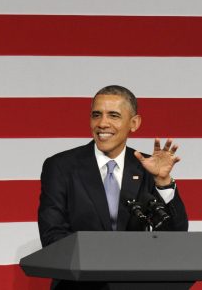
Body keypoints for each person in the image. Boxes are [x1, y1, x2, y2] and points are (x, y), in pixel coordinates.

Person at [38, 85, 188, 288]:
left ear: (134, 123)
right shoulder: (61, 167)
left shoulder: (147, 167)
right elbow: (52, 236)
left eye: (114, 115)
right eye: (96, 115)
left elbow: (176, 239)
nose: (102, 123)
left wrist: (162, 182)